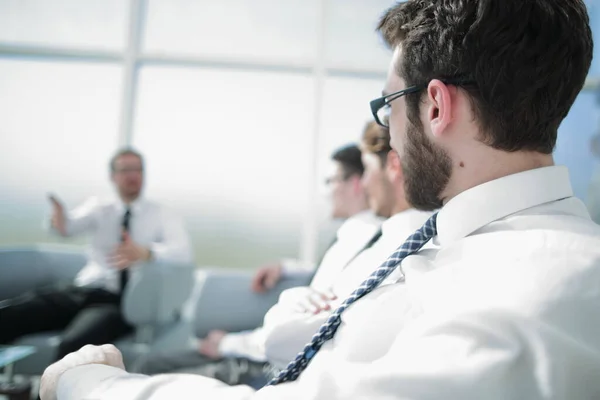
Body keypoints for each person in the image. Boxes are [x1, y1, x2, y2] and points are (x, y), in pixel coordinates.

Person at [40, 1, 600, 399]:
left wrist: (88, 384)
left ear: (434, 107)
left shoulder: (533, 292)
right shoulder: (470, 248)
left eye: (389, 108)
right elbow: (314, 338)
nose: (392, 137)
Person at [132, 143, 383, 387]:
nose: (325, 192)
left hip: (271, 367)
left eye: (330, 181)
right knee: (151, 363)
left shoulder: (362, 242)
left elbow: (303, 329)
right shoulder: (350, 237)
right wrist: (284, 267)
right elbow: (322, 279)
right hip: (262, 352)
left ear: (355, 183)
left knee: (149, 369)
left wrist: (227, 344)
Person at [262, 121, 431, 368]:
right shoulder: (387, 237)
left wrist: (289, 303)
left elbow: (280, 342)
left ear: (394, 165)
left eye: (367, 169)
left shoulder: (398, 247)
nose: (362, 184)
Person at [0, 148, 192, 361]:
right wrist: (59, 223)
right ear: (113, 176)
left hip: (119, 302)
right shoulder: (100, 208)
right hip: (82, 290)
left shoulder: (162, 214)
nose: (133, 175)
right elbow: (69, 227)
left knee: (74, 346)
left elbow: (182, 252)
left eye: (138, 169)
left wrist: (147, 252)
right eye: (126, 169)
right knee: (11, 315)